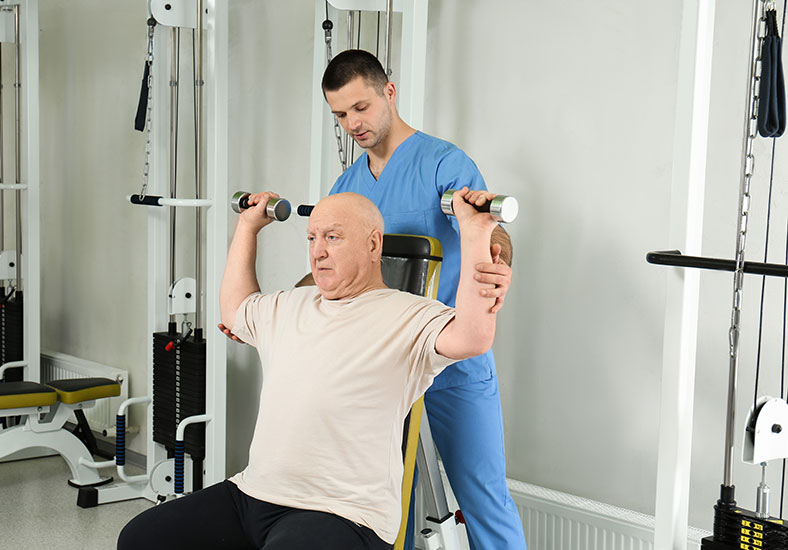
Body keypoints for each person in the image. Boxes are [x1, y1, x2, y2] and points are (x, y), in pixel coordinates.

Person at [118, 190, 511, 550]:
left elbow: (472, 337)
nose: (317, 251)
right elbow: (235, 310)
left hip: (344, 512)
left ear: (373, 243)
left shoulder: (409, 315)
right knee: (140, 539)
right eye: (311, 238)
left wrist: (475, 232)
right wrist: (247, 226)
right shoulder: (292, 304)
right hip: (253, 493)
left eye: (333, 237)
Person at [319, 50, 525, 549]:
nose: (353, 124)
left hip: (450, 352)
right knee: (390, 499)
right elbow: (335, 270)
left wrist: (498, 261)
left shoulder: (444, 164)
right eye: (341, 115)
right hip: (382, 361)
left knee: (483, 493)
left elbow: (488, 231)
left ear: (389, 92)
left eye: (361, 108)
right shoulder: (347, 186)